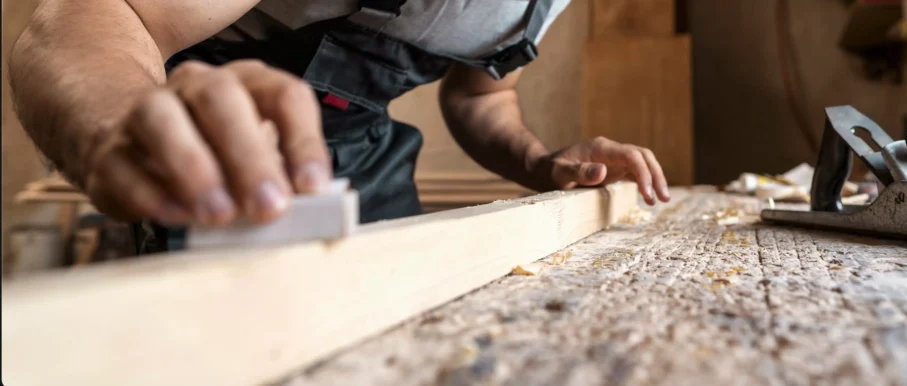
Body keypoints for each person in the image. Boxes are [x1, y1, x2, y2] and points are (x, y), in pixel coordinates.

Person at [10, 0, 672, 253]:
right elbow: (96, 16)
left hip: (366, 155)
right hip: (221, 149)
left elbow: (482, 98)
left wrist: (542, 164)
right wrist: (121, 124)